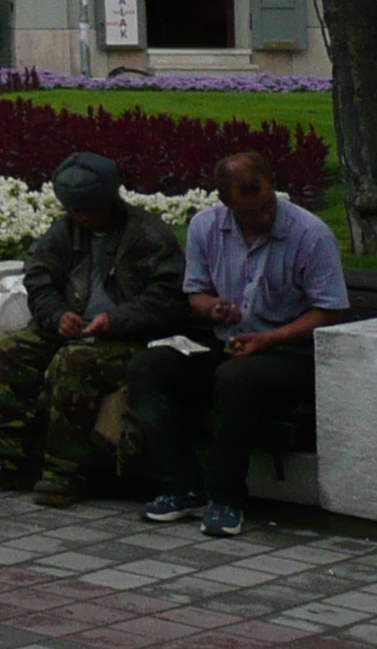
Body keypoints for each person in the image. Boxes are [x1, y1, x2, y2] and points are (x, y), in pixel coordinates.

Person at [128, 151, 350, 538]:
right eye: (250, 212)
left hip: (290, 352)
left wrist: (268, 339)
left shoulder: (310, 235)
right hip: (231, 344)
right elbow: (195, 294)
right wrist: (213, 308)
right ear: (227, 205)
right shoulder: (205, 228)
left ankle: (226, 496)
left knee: (236, 380)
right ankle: (182, 485)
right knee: (148, 367)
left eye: (267, 206)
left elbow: (329, 312)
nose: (263, 218)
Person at [0, 151, 185, 505]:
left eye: (90, 209)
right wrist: (57, 315)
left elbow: (167, 298)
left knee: (74, 362)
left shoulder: (148, 236)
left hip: (128, 339)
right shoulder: (64, 232)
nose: (83, 217)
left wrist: (117, 319)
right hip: (73, 328)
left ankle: (65, 472)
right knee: (7, 353)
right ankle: (6, 458)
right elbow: (39, 277)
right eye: (76, 210)